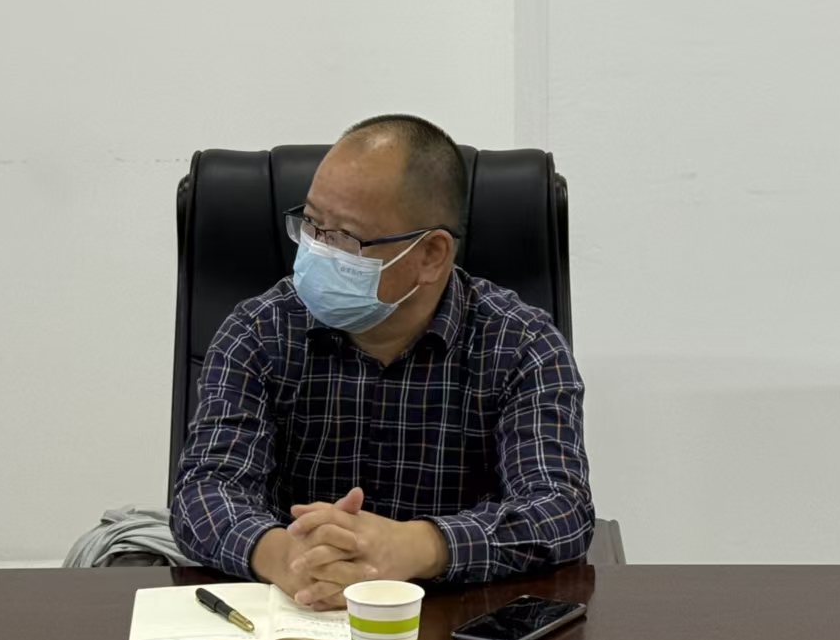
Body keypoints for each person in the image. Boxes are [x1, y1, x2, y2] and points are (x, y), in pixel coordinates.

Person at [171, 114, 594, 608]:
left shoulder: (521, 345)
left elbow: (559, 509)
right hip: (298, 612)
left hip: (456, 626)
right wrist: (287, 557)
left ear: (431, 254)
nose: (317, 250)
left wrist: (415, 546)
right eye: (311, 224)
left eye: (346, 238)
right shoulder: (258, 330)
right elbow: (203, 492)